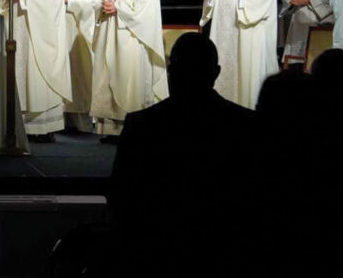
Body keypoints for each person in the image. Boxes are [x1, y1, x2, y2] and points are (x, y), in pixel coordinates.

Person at [109, 33, 264, 277]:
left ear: (172, 72)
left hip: (154, 252)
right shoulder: (245, 125)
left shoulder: (143, 125)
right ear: (216, 72)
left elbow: (121, 194)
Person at [91, 0, 168, 136]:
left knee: (128, 81)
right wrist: (102, 6)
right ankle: (110, 130)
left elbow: (146, 11)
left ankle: (131, 130)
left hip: (131, 38)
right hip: (110, 34)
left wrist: (118, 8)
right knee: (108, 79)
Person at [0, 0, 71, 140]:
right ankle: (20, 127)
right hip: (16, 27)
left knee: (36, 72)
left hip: (39, 31)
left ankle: (44, 128)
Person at [57, 0, 99, 132]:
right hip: (56, 31)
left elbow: (91, 3)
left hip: (76, 32)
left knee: (77, 74)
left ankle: (80, 123)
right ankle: (59, 119)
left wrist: (70, 0)